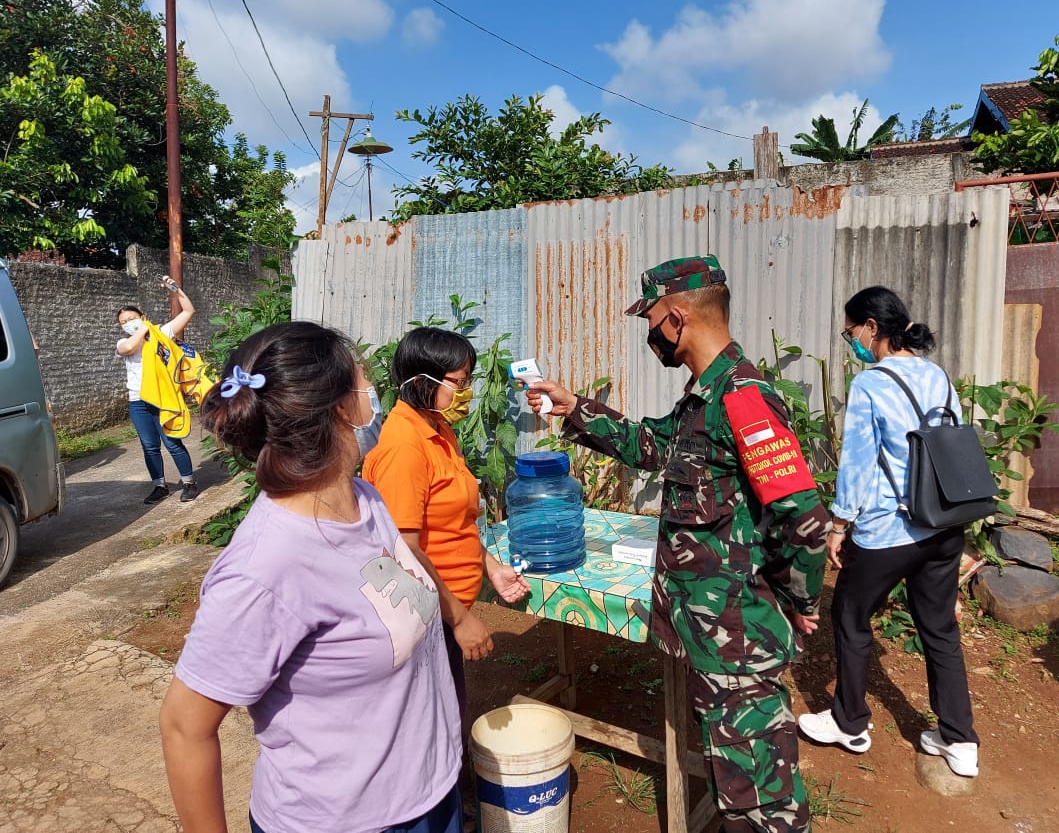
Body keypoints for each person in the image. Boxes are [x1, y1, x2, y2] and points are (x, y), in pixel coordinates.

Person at [528, 256, 831, 833]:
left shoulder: (743, 398)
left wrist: (800, 601)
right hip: (714, 632)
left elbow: (806, 520)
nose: (649, 335)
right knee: (736, 782)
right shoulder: (706, 396)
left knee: (765, 802)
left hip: (738, 634)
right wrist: (575, 409)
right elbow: (652, 446)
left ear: (674, 317)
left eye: (649, 320)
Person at [159, 322, 463, 833]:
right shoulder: (266, 568)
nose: (375, 394)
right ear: (344, 407)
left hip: (428, 793)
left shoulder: (366, 500)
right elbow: (184, 727)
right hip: (344, 821)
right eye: (365, 382)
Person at [797, 286, 981, 778]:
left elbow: (857, 462)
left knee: (851, 616)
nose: (850, 341)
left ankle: (849, 721)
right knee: (939, 629)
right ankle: (959, 740)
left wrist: (839, 524)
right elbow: (954, 442)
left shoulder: (871, 385)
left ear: (872, 329)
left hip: (889, 530)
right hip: (943, 527)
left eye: (850, 331)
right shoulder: (937, 375)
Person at [361, 327, 531, 821]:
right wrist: (458, 619)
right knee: (429, 724)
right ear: (420, 381)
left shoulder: (437, 428)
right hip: (425, 614)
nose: (467, 391)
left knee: (445, 713)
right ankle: (436, 811)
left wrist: (491, 568)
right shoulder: (404, 446)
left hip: (446, 603)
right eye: (458, 381)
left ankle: (450, 802)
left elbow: (452, 523)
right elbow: (405, 548)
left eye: (469, 379)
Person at [115, 276, 198, 504]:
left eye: (132, 318)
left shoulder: (162, 333)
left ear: (142, 317)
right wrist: (143, 330)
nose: (128, 323)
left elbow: (189, 311)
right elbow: (130, 347)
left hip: (162, 398)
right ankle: (159, 486)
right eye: (123, 322)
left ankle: (189, 482)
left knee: (172, 441)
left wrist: (176, 290)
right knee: (150, 446)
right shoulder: (123, 343)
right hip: (138, 402)